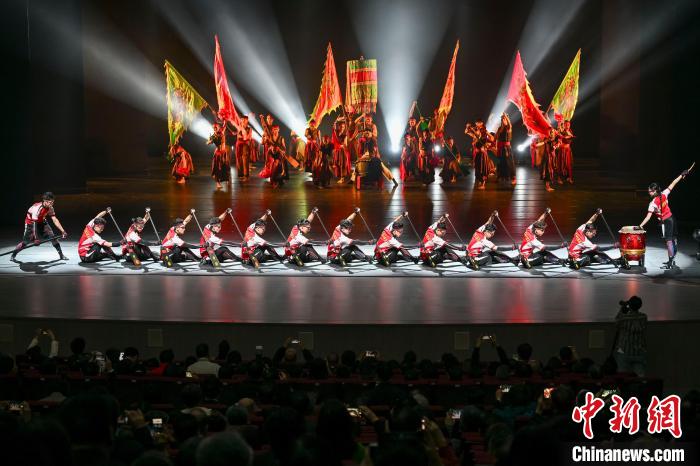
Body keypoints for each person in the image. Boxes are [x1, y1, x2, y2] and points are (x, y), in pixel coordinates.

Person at [639, 168, 692, 269]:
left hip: (667, 221)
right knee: (673, 239)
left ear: (654, 191)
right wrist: (682, 174)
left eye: (650, 191)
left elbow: (648, 217)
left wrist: (640, 225)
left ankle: (670, 262)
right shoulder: (664, 193)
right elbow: (674, 182)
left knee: (668, 242)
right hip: (672, 218)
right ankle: (672, 259)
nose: (649, 193)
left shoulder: (652, 204)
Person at [11, 191, 68, 261]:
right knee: (25, 242)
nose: (52, 204)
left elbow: (55, 219)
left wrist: (63, 231)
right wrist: (36, 239)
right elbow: (34, 224)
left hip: (41, 221)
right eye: (50, 202)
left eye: (53, 202)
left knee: (53, 238)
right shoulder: (37, 208)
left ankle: (61, 255)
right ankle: (13, 254)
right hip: (30, 223)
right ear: (45, 201)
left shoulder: (50, 208)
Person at [614, 296, 647, 376]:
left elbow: (616, 322)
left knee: (622, 375)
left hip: (624, 351)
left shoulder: (624, 318)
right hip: (638, 352)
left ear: (630, 306)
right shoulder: (643, 317)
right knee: (640, 376)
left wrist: (622, 310)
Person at [465, 120, 490, 189]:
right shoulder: (476, 132)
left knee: (482, 168)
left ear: (481, 124)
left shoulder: (484, 132)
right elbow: (466, 132)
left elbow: (482, 138)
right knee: (477, 167)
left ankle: (483, 183)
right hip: (477, 151)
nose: (476, 125)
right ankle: (480, 181)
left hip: (482, 152)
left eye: (478, 124)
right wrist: (467, 127)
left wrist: (472, 129)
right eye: (476, 124)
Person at [496, 113, 516, 185]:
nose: (503, 120)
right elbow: (496, 138)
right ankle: (501, 177)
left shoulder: (508, 127)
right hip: (500, 148)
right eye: (502, 119)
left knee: (509, 163)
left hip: (507, 148)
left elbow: (509, 124)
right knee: (501, 163)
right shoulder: (499, 128)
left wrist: (506, 116)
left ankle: (513, 178)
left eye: (504, 119)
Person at [332, 117, 352, 184]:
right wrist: (338, 120)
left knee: (342, 164)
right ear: (339, 126)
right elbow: (334, 125)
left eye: (343, 127)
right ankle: (340, 177)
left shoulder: (345, 135)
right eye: (341, 126)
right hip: (337, 150)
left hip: (342, 151)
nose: (342, 128)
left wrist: (344, 148)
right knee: (338, 164)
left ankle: (342, 178)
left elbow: (345, 144)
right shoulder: (336, 132)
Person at [235, 115, 253, 180]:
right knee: (239, 159)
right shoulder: (239, 127)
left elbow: (249, 137)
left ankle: (246, 175)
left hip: (245, 144)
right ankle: (240, 174)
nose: (243, 121)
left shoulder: (249, 129)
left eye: (245, 120)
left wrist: (245, 136)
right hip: (239, 144)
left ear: (247, 121)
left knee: (245, 159)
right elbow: (238, 136)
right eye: (242, 120)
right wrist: (241, 136)